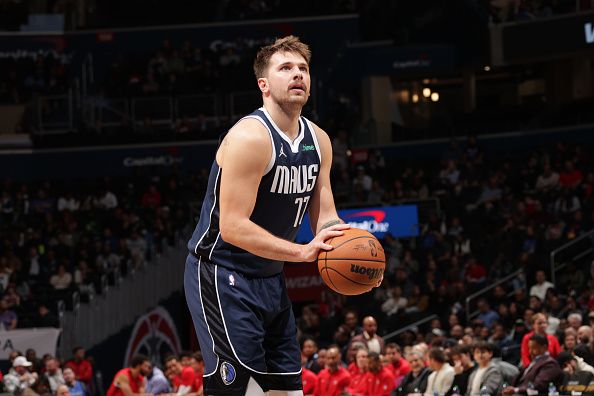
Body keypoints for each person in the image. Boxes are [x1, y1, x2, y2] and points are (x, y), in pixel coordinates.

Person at [184, 36, 379, 395]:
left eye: (303, 69)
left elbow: (326, 213)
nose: (297, 75)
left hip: (271, 277)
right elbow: (232, 227)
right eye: (285, 68)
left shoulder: (319, 140)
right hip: (222, 272)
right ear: (264, 85)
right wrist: (302, 252)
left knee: (288, 390)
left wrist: (349, 247)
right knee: (243, 390)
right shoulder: (250, 137)